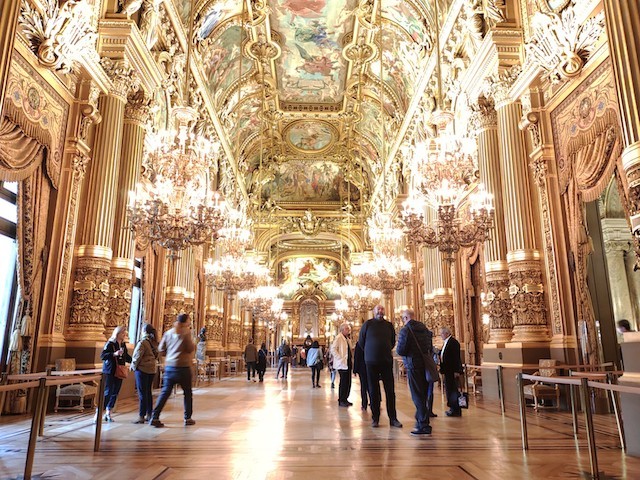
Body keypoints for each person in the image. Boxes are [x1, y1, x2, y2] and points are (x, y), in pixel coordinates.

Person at [358, 304, 402, 428]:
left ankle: (393, 418)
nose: (380, 311)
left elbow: (392, 342)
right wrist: (370, 352)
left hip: (386, 361)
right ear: (374, 312)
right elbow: (361, 342)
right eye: (378, 309)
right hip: (371, 362)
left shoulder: (389, 325)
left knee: (390, 391)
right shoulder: (367, 324)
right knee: (373, 391)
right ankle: (375, 418)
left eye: (382, 309)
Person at [149, 313, 196, 427]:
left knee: (165, 393)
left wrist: (170, 355)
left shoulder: (168, 332)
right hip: (183, 367)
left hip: (170, 367)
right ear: (186, 321)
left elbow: (161, 349)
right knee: (187, 393)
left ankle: (154, 417)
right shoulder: (186, 332)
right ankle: (187, 417)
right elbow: (190, 348)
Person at [396, 308, 433, 436]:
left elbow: (400, 350)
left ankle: (423, 424)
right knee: (423, 393)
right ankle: (420, 420)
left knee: (417, 395)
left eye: (402, 318)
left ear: (406, 318)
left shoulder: (405, 330)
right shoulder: (425, 329)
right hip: (425, 365)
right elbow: (430, 347)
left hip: (413, 365)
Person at [100, 326, 132, 422]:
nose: (124, 335)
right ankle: (99, 412)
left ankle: (108, 412)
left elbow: (126, 356)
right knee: (108, 392)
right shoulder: (110, 344)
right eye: (123, 333)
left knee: (115, 392)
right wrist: (114, 354)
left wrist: (134, 361)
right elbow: (103, 355)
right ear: (117, 333)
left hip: (120, 370)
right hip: (110, 370)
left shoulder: (122, 344)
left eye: (124, 333)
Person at [131, 324, 159, 424]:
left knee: (142, 393)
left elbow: (137, 355)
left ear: (143, 331)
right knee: (148, 393)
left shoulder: (143, 342)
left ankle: (141, 416)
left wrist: (133, 366)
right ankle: (149, 414)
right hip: (151, 370)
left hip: (142, 370)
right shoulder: (154, 342)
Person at [440, 326, 463, 417]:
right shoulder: (446, 342)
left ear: (447, 333)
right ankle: (452, 408)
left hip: (452, 371)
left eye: (442, 333)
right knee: (449, 390)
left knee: (453, 390)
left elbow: (456, 358)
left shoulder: (453, 343)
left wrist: (457, 371)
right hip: (447, 371)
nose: (440, 335)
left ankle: (455, 409)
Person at [331, 323, 353, 407]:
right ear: (342, 330)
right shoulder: (338, 338)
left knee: (348, 382)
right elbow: (333, 349)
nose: (348, 330)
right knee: (343, 382)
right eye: (347, 329)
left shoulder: (347, 338)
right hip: (342, 363)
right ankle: (341, 400)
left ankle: (345, 398)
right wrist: (339, 358)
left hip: (348, 363)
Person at [353, 340, 369, 411]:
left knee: (363, 386)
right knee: (373, 386)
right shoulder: (371, 341)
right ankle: (374, 402)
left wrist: (355, 370)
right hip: (371, 366)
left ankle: (364, 404)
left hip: (362, 368)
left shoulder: (359, 343)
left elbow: (356, 357)